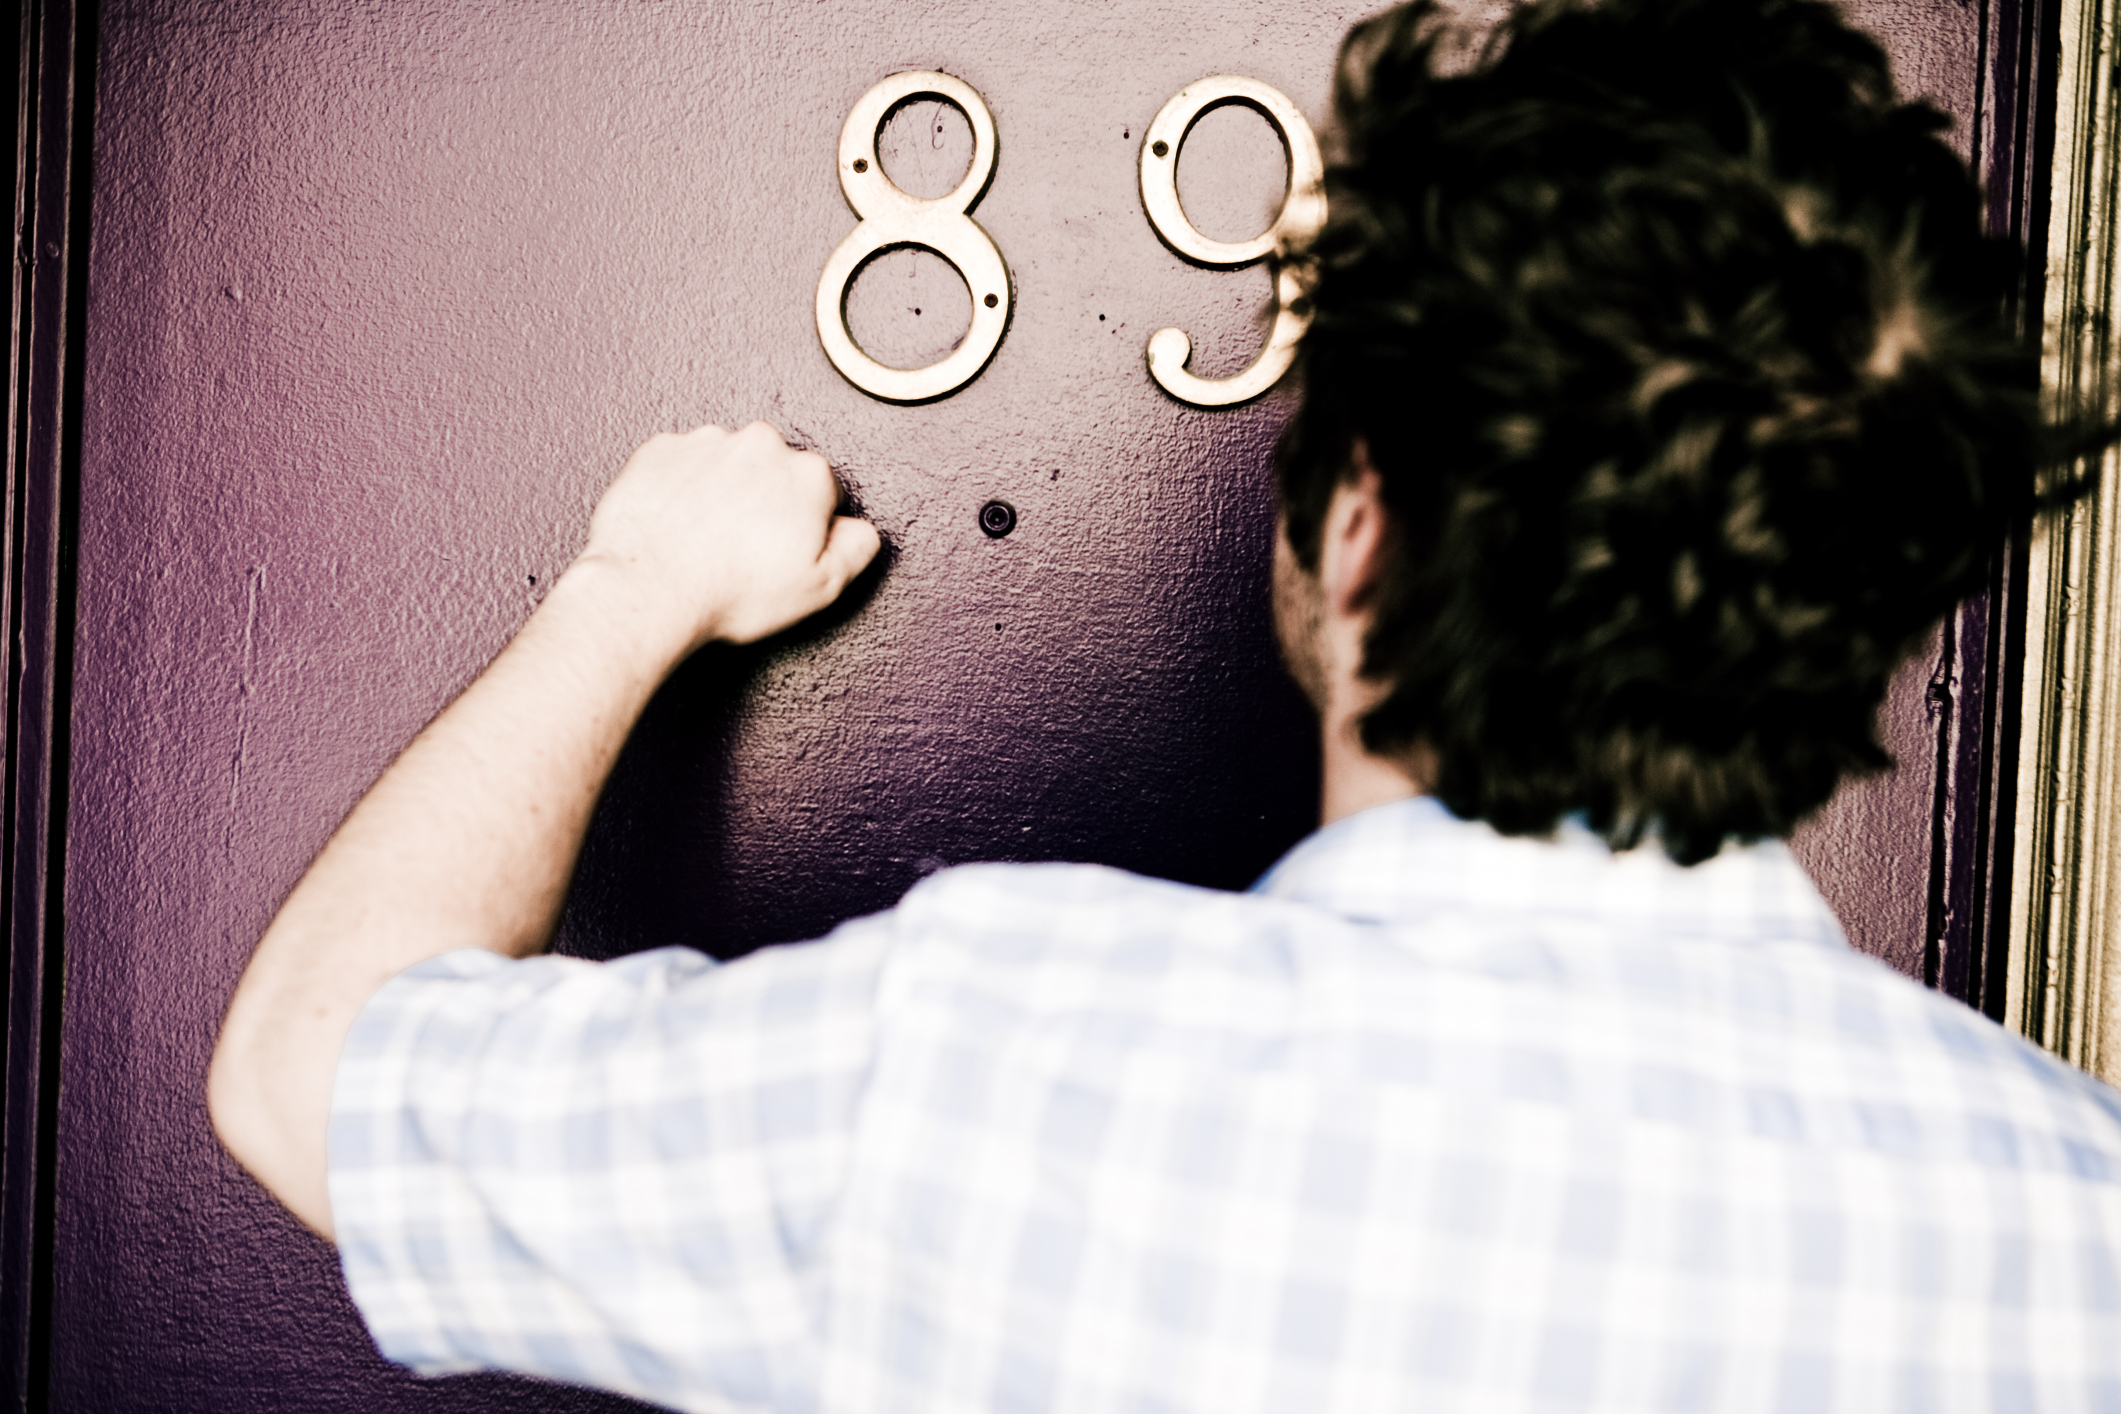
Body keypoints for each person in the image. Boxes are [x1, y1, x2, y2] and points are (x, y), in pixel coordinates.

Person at [211, 0, 2121, 1409]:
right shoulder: (2080, 1227)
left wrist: (633, 586)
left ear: (1360, 529)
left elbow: (312, 1078)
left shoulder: (989, 1077)